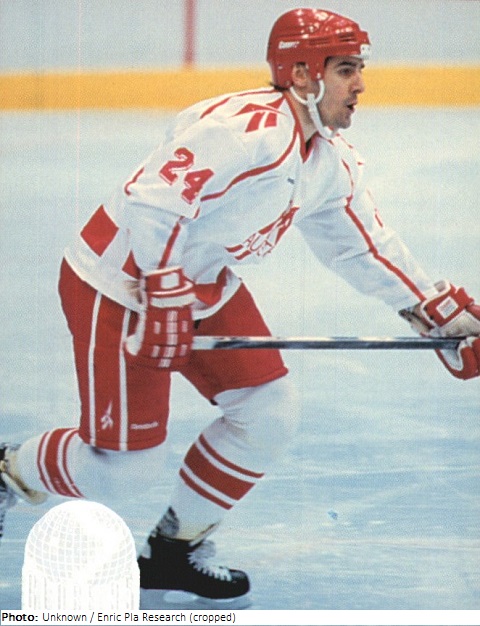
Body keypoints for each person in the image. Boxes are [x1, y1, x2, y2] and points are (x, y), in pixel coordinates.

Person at [1, 8, 479, 609]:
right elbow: (153, 203)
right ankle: (8, 469)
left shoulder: (328, 161)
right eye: (346, 69)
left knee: (267, 410)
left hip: (200, 284)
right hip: (120, 284)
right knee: (119, 473)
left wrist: (435, 310)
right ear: (302, 74)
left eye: (359, 69)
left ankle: (173, 550)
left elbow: (363, 248)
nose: (360, 84)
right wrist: (165, 289)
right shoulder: (242, 131)